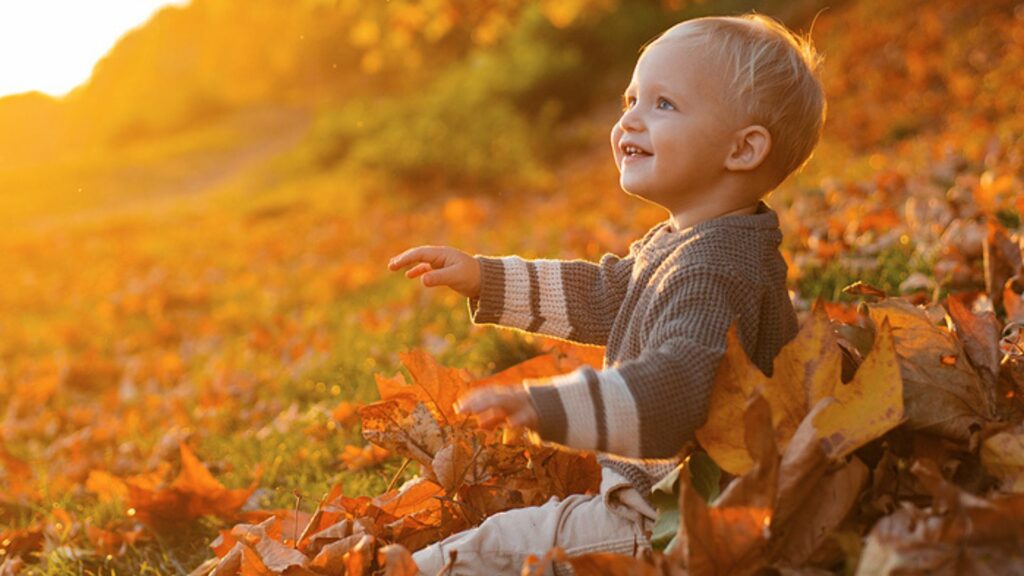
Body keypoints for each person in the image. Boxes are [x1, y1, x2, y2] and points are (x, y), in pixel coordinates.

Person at [388, 12, 825, 575]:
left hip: (672, 526)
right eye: (630, 100)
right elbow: (606, 293)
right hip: (671, 509)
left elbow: (675, 391)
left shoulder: (715, 269)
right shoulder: (696, 242)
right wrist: (485, 277)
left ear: (742, 150)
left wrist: (541, 404)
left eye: (663, 105)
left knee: (480, 553)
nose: (630, 123)